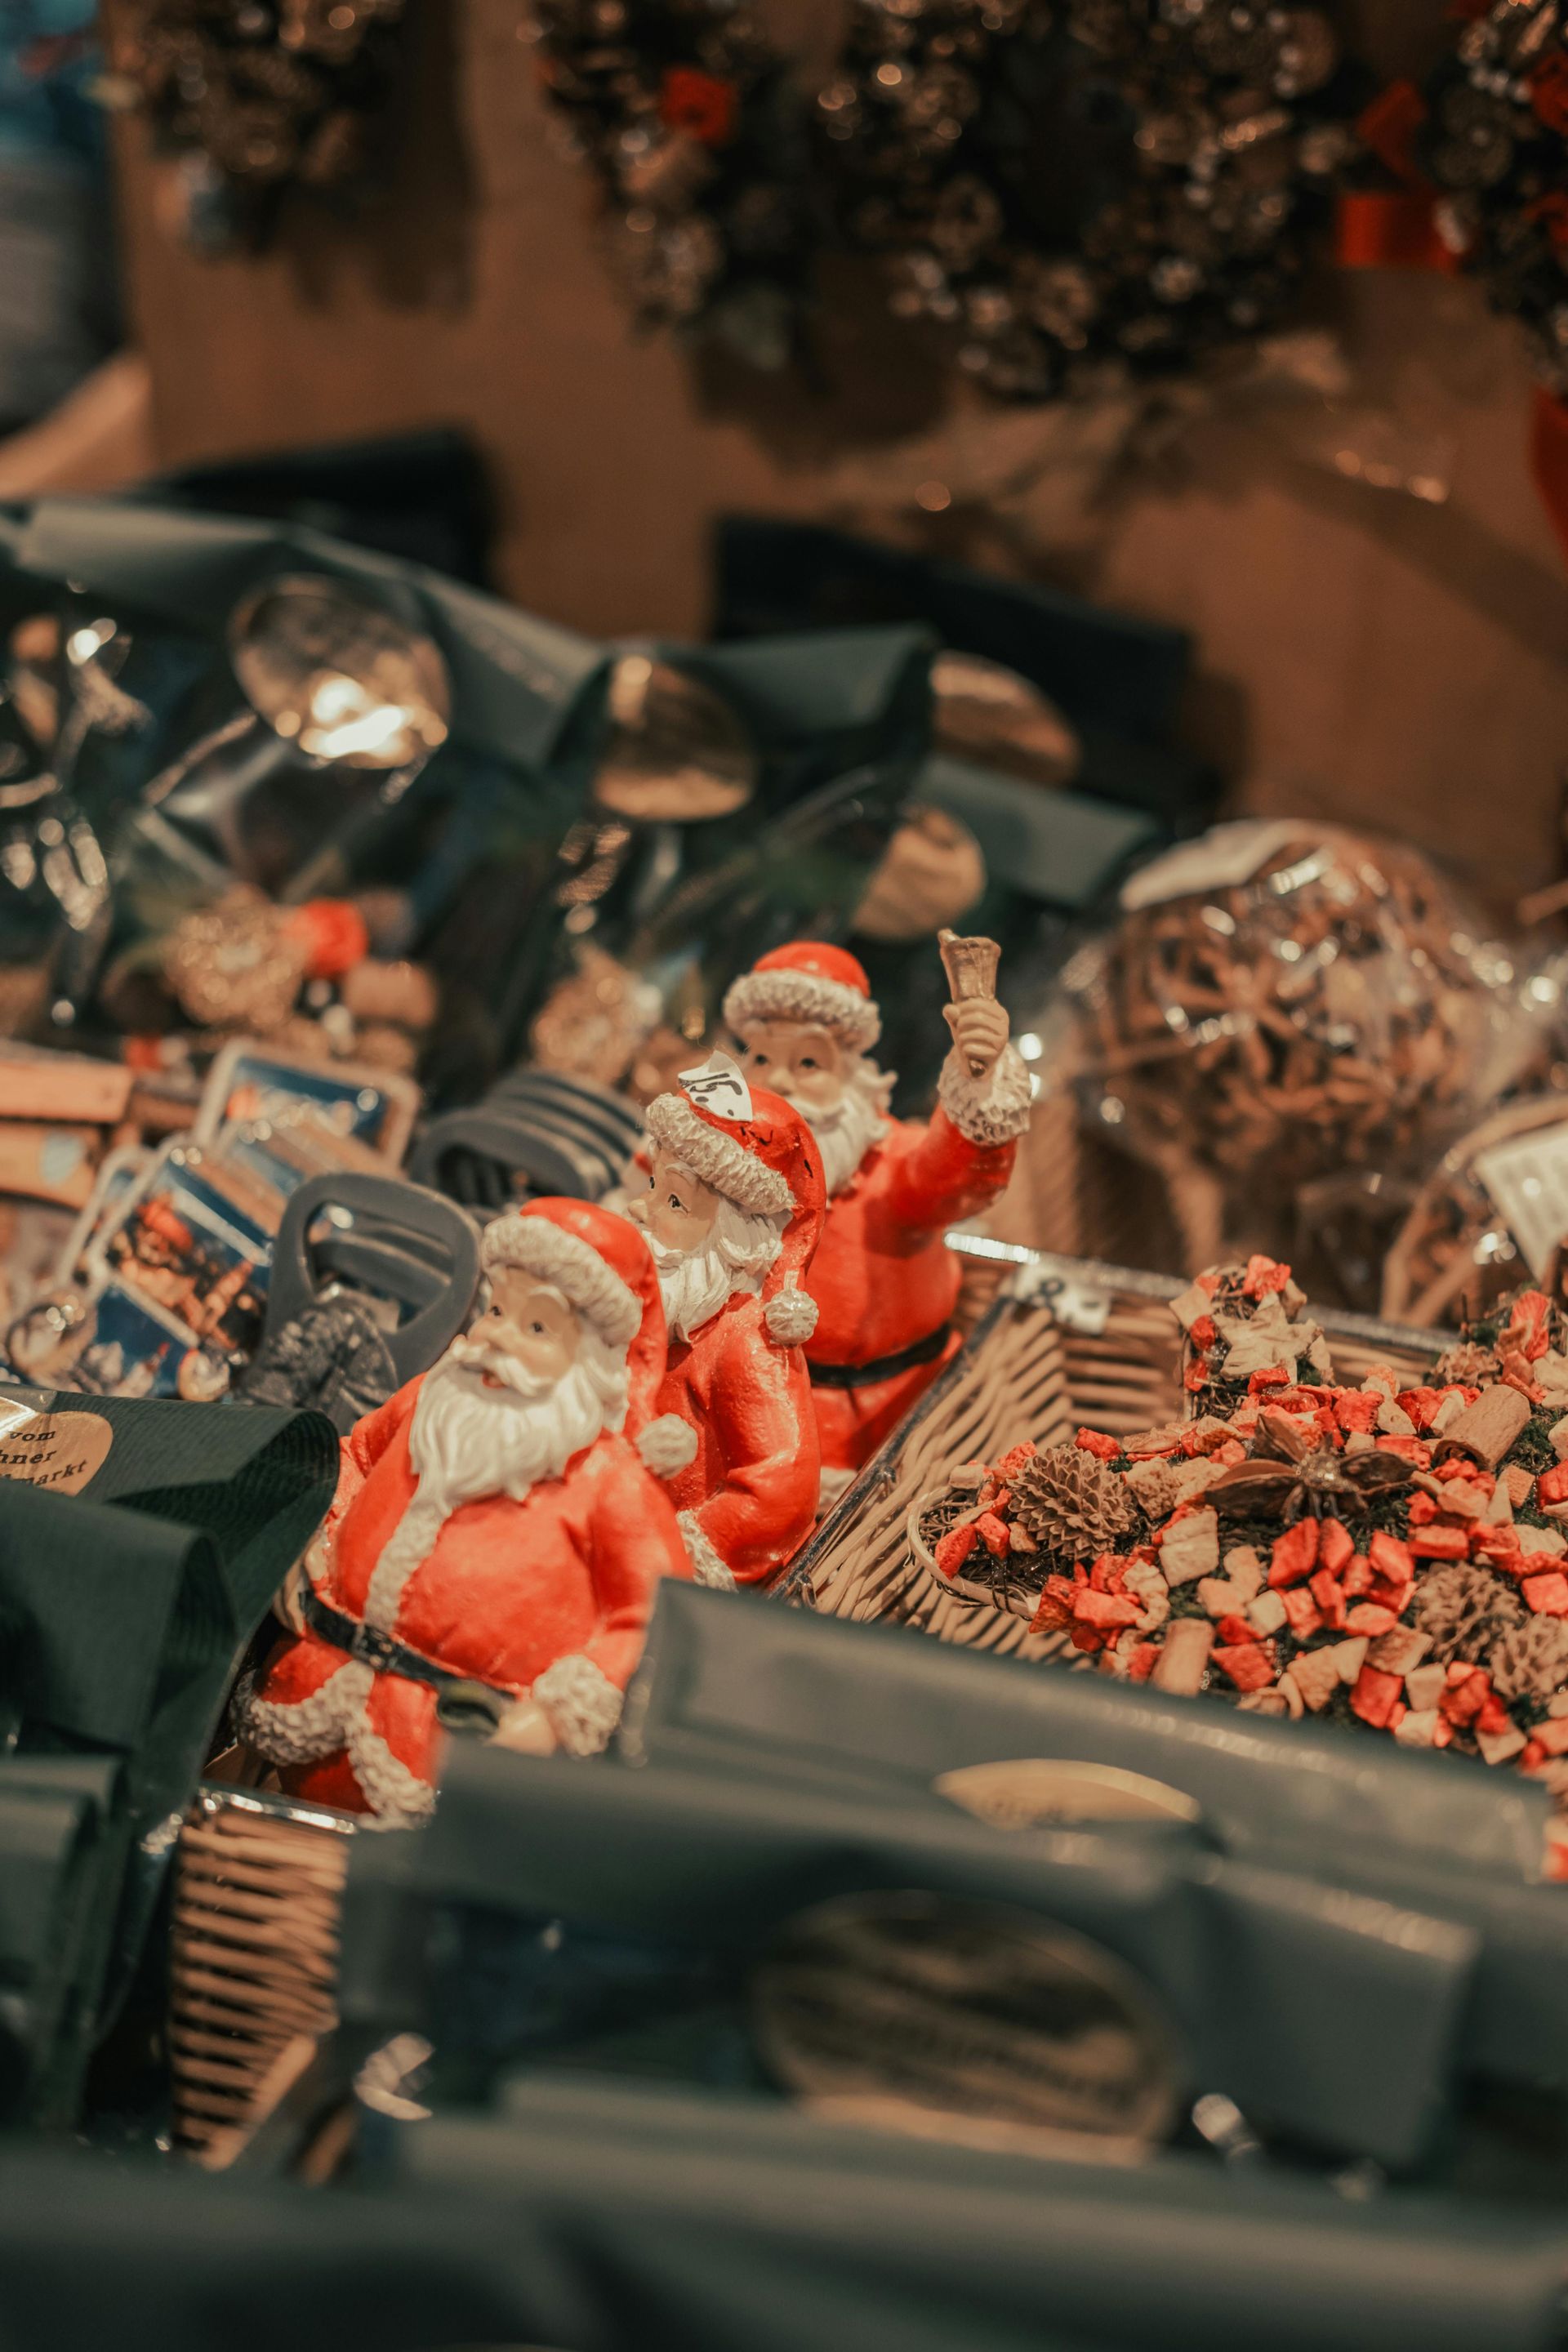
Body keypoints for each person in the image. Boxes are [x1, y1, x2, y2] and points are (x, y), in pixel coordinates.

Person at [240, 1197, 694, 1827]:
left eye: (537, 1329)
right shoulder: (435, 1396)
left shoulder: (608, 1482)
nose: (497, 1337)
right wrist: (315, 1531)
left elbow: (657, 1616)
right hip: (310, 1688)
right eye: (498, 1309)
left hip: (445, 1746)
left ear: (591, 1358)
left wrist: (559, 1714)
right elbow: (356, 1456)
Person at [723, 940, 1031, 1498]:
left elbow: (958, 1175)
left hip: (906, 1413)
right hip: (765, 1418)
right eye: (761, 1061)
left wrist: (977, 1078)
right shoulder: (719, 1172)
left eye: (809, 1063)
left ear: (853, 1074)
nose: (781, 1084)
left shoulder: (890, 1163)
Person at [627, 1059, 825, 1588]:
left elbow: (780, 1484)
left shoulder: (745, 1340)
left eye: (673, 1201)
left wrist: (673, 1549)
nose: (640, 1209)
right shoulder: (660, 1310)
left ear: (734, 1236)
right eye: (652, 1186)